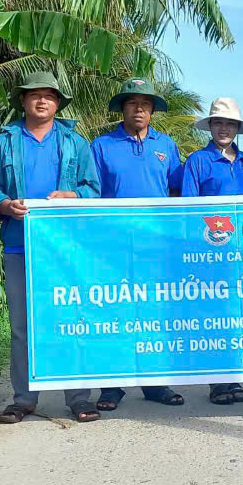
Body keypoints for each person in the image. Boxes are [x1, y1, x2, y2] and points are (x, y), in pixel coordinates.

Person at [0, 72, 103, 424]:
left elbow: (93, 189)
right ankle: (23, 398)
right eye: (35, 95)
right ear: (23, 101)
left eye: (50, 96)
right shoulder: (4, 141)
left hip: (65, 248)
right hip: (20, 245)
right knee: (23, 325)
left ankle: (79, 397)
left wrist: (73, 195)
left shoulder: (75, 143)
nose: (42, 101)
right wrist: (4, 205)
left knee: (71, 319)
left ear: (58, 103)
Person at [90, 78, 186, 411]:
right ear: (123, 108)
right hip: (114, 245)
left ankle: (154, 382)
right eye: (132, 103)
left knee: (154, 313)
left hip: (155, 245)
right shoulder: (102, 146)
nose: (139, 109)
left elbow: (179, 188)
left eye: (146, 103)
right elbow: (92, 193)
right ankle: (111, 385)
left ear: (153, 110)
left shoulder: (167, 144)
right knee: (115, 311)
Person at [180, 97, 243, 405]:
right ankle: (217, 382)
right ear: (210, 126)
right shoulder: (197, 161)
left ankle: (236, 378)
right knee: (215, 317)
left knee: (239, 316)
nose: (224, 128)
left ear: (237, 128)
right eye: (218, 123)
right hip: (210, 252)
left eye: (230, 124)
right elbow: (188, 208)